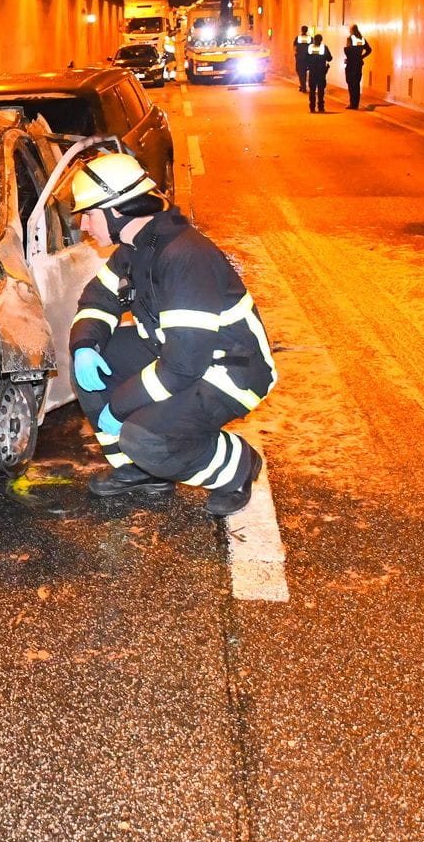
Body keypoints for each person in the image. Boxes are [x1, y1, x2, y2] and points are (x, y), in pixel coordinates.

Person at [66, 153, 277, 517]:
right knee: (95, 365)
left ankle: (236, 466)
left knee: (146, 436)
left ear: (118, 210)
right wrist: (85, 343)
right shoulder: (136, 248)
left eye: (89, 213)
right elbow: (98, 298)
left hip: (232, 367)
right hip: (178, 353)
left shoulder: (183, 256)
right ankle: (142, 470)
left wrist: (120, 407)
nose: (84, 224)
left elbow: (183, 366)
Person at [343, 24, 373, 109]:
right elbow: (369, 50)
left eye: (350, 30)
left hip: (351, 64)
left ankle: (352, 104)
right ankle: (356, 104)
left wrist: (348, 59)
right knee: (356, 83)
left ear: (352, 30)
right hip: (358, 63)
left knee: (350, 82)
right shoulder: (362, 39)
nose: (349, 31)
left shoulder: (350, 38)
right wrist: (361, 56)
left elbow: (348, 51)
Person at [303, 32, 333, 112]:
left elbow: (305, 58)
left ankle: (312, 107)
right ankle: (321, 107)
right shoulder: (324, 48)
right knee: (321, 90)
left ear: (314, 40)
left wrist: (307, 66)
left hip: (312, 71)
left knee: (312, 90)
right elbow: (329, 58)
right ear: (321, 40)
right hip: (321, 71)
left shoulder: (310, 48)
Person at [292, 26, 312, 93]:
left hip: (300, 58)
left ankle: (303, 86)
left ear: (301, 30)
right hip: (308, 58)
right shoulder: (310, 38)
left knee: (300, 71)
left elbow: (294, 47)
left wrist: (297, 52)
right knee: (304, 72)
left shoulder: (298, 38)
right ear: (307, 30)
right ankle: (303, 85)